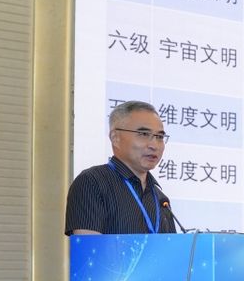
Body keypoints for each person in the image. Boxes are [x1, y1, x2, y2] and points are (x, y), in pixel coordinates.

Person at [65, 100, 177, 235]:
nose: (154, 145)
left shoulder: (161, 200)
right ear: (115, 138)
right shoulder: (92, 182)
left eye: (159, 136)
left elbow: (173, 247)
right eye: (144, 134)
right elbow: (88, 246)